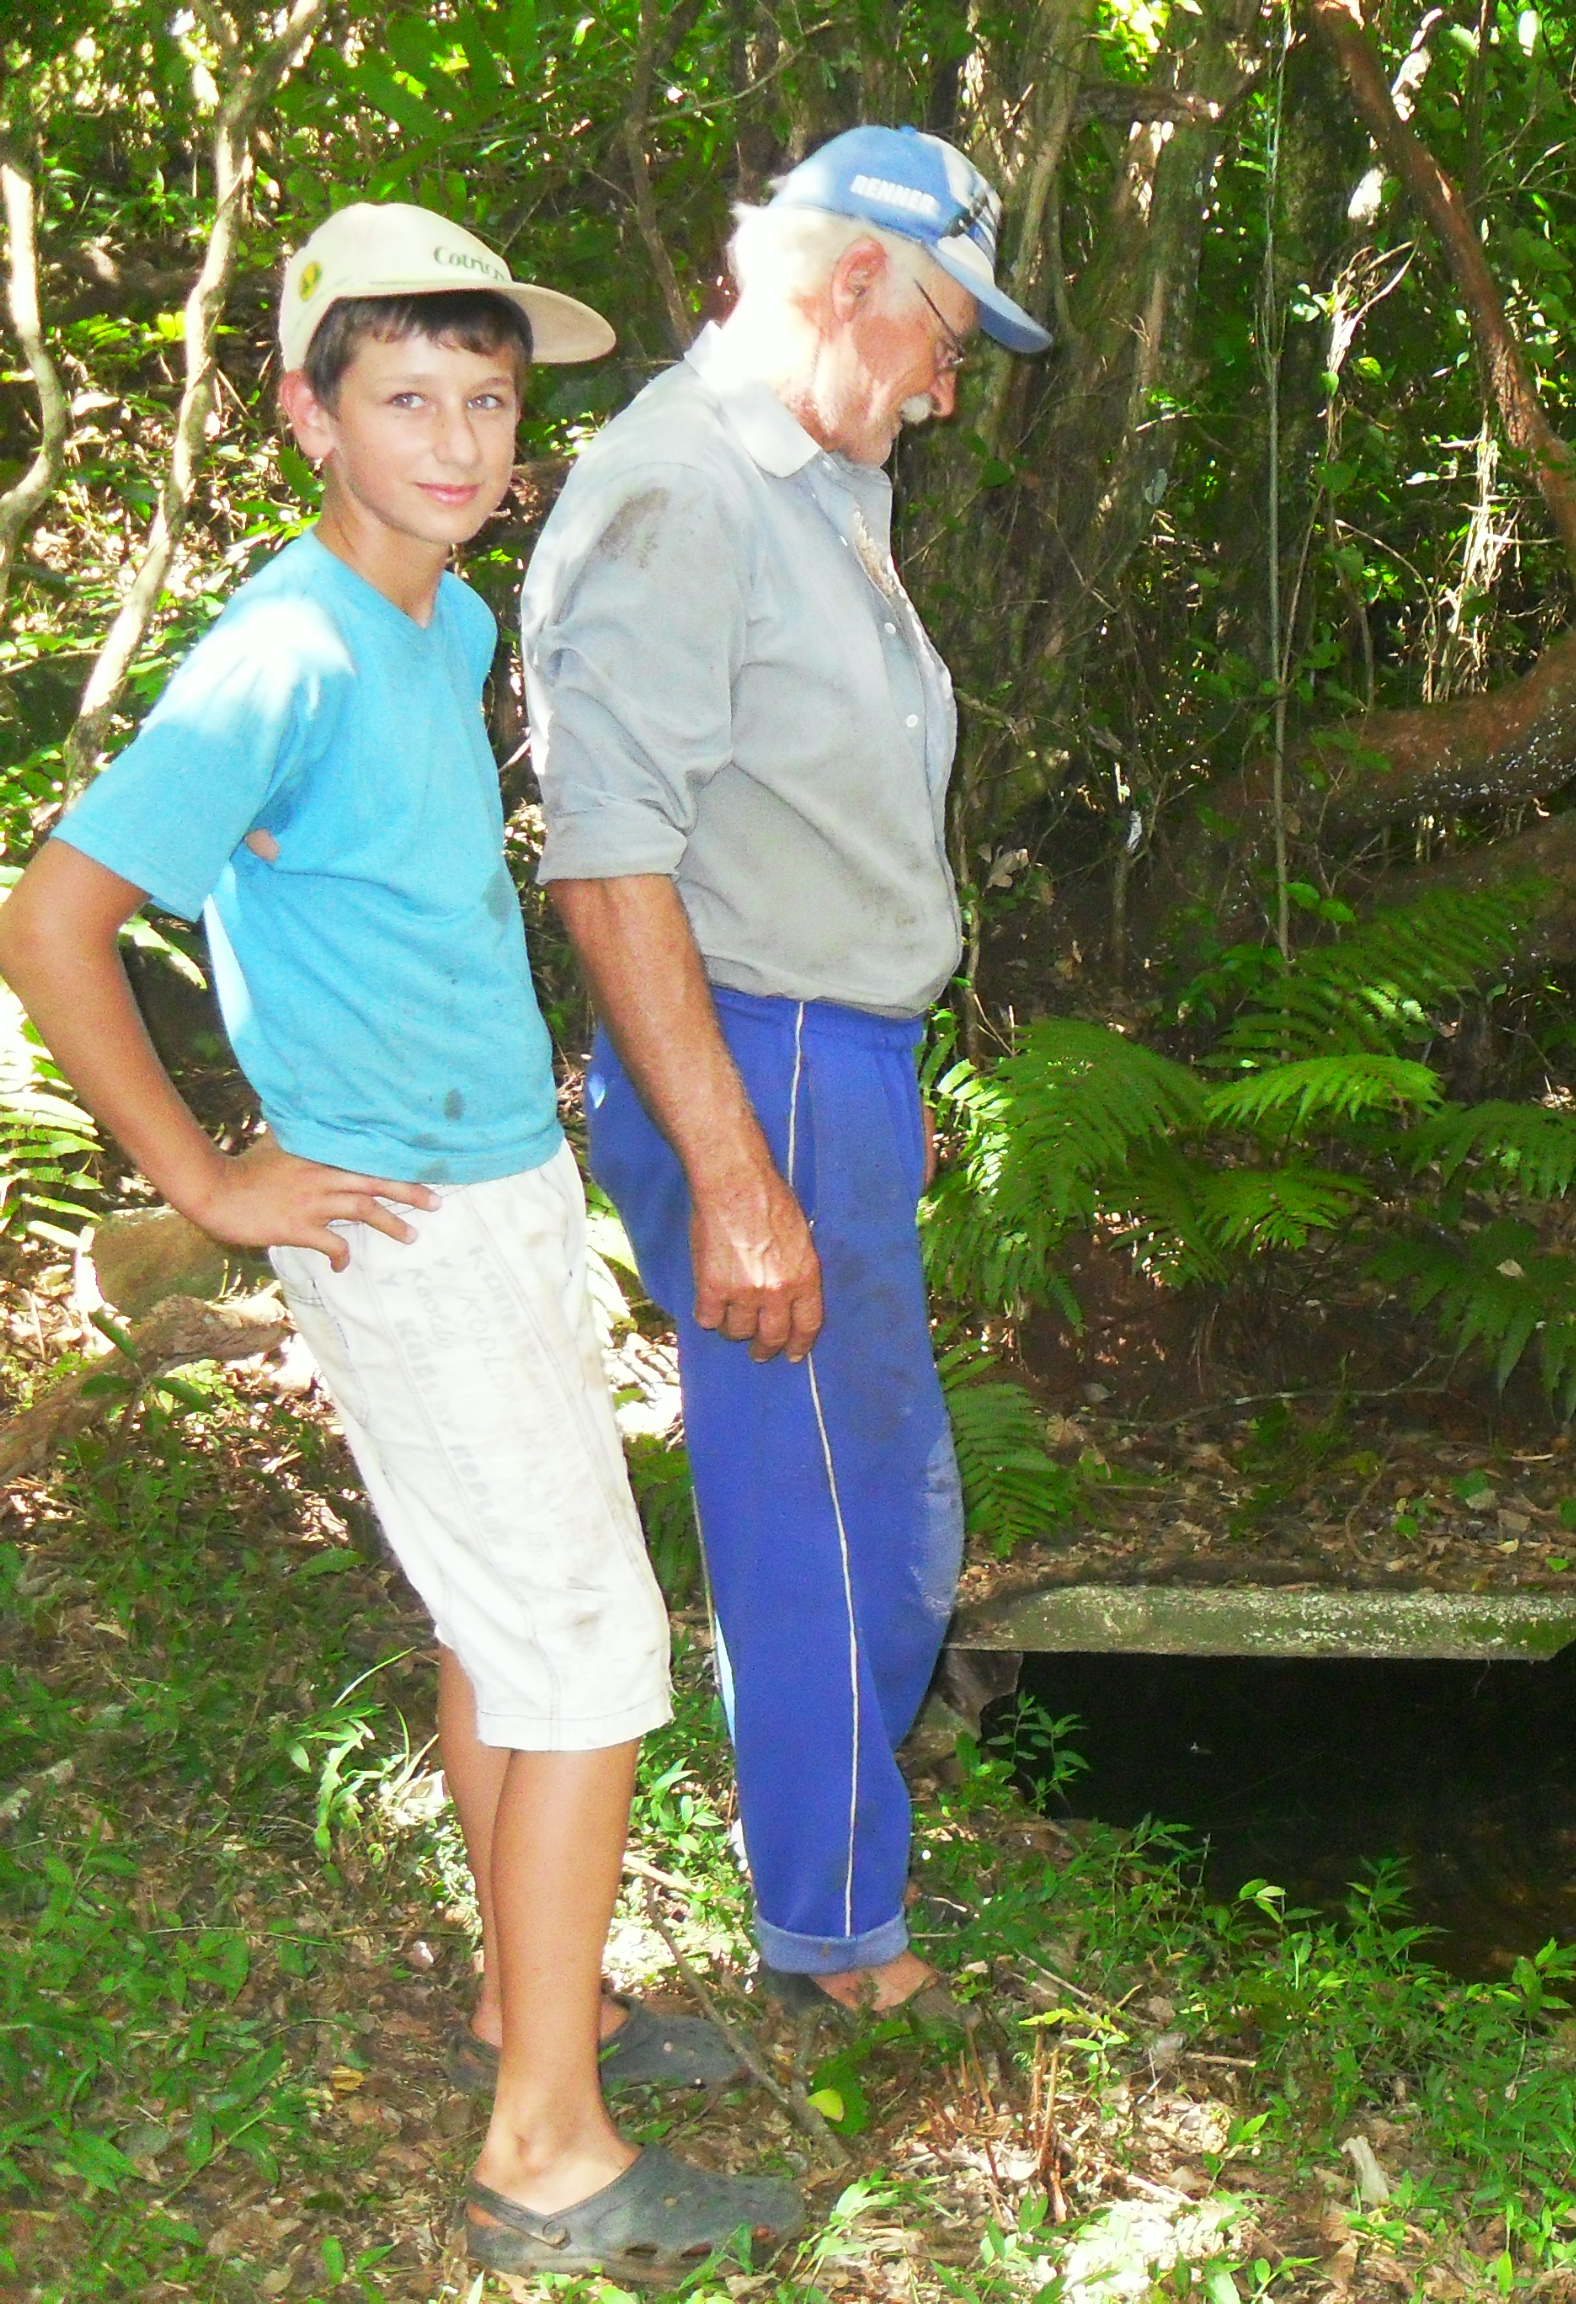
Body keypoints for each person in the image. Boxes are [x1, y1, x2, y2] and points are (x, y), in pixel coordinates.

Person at [0, 206, 800, 2277]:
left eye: (487, 397)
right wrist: (210, 1184)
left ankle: (529, 2007)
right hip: (405, 1229)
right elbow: (56, 915)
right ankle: (548, 2150)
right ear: (307, 414)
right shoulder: (285, 647)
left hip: (493, 1187)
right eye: (406, 399)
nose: (455, 439)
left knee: (496, 1627)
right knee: (597, 1664)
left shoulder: (436, 617)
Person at [520, 126, 1050, 2026]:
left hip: (836, 1054)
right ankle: (839, 1940)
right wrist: (737, 1175)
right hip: (750, 1053)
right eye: (940, 339)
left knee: (889, 1489)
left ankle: (833, 1849)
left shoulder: (818, 484)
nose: (943, 381)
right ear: (845, 288)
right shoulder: (680, 490)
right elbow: (606, 857)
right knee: (813, 1501)